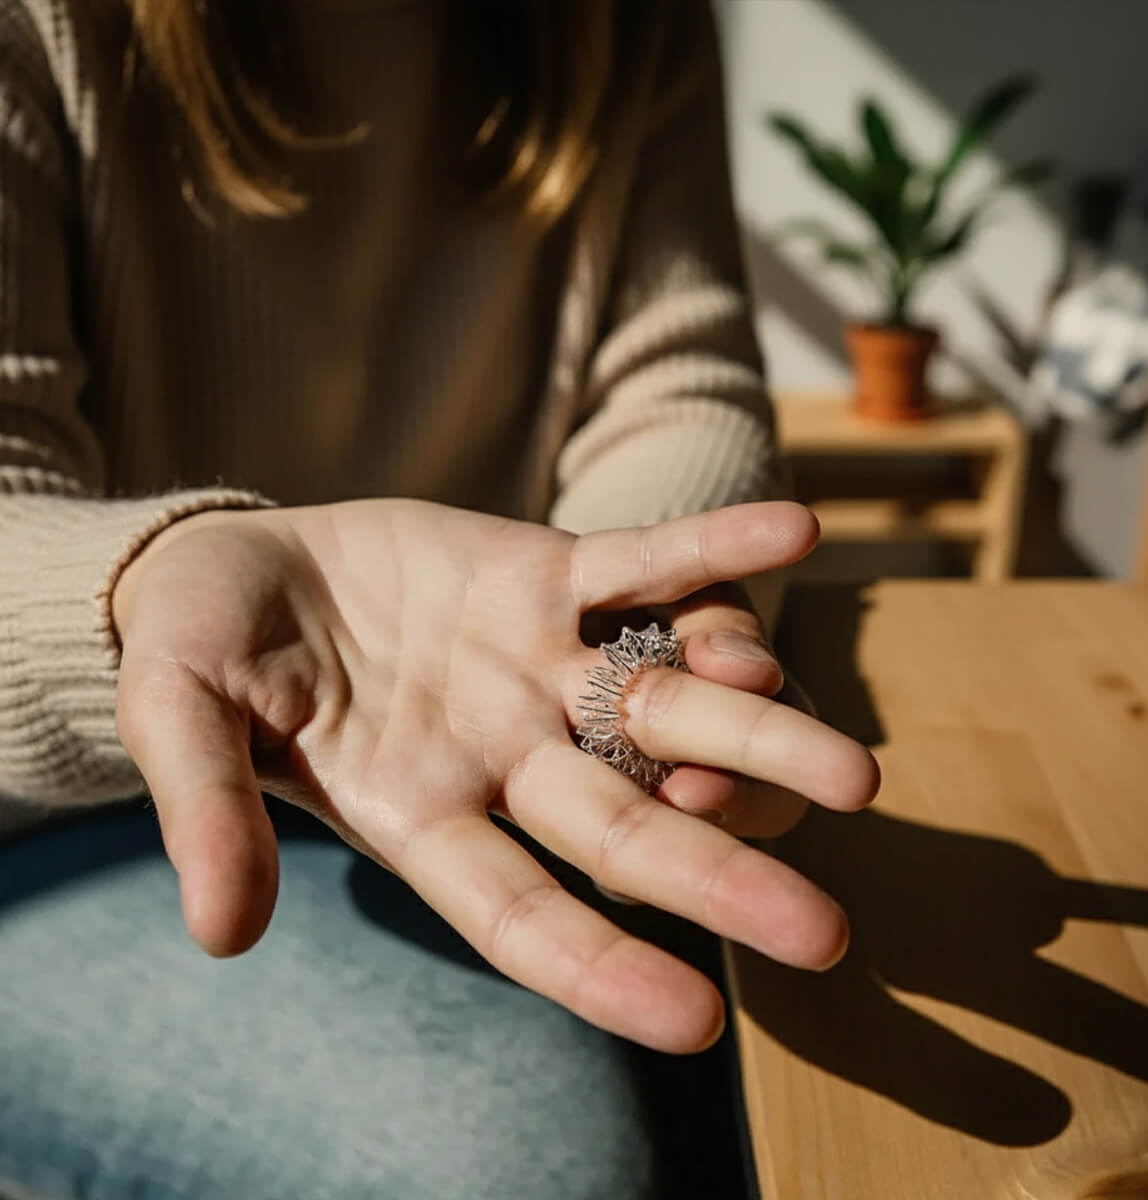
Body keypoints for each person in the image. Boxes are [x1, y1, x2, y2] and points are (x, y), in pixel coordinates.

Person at [0, 1, 879, 1196]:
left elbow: (677, 377)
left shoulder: (626, 23)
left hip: (479, 746)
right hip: (65, 822)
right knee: (513, 1151)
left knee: (821, 1024)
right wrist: (143, 584)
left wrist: (606, 624)